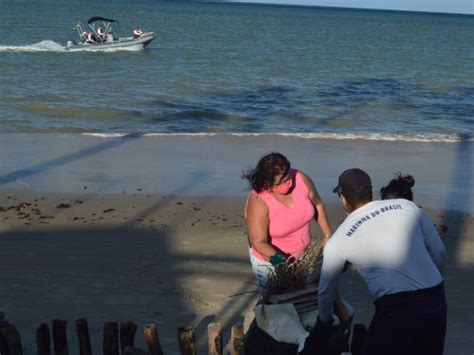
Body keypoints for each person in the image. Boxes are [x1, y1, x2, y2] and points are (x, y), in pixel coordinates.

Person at [317, 168, 447, 355]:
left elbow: (326, 291)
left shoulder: (339, 239)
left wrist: (324, 321)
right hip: (435, 300)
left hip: (397, 309)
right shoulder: (407, 206)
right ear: (372, 191)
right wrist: (431, 286)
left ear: (342, 198)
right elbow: (440, 252)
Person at [243, 152, 332, 293]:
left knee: (302, 301)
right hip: (272, 264)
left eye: (287, 177)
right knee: (278, 308)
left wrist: (328, 235)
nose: (288, 183)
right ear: (267, 183)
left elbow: (318, 205)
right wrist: (285, 265)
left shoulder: (300, 178)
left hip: (302, 258)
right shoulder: (258, 201)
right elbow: (259, 242)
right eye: (281, 182)